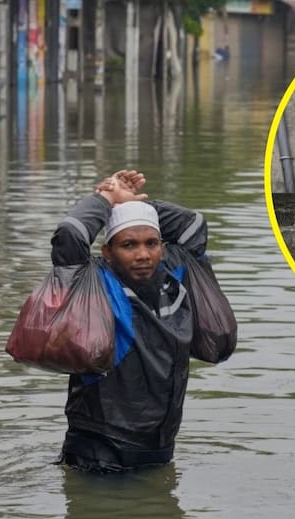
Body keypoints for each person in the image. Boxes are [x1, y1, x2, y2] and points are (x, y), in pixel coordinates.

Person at [49, 169, 222, 472]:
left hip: (159, 447)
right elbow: (70, 235)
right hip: (100, 451)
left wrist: (134, 204)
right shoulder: (94, 284)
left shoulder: (174, 274)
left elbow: (193, 225)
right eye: (129, 245)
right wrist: (105, 200)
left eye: (151, 243)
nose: (143, 254)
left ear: (162, 247)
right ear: (108, 252)